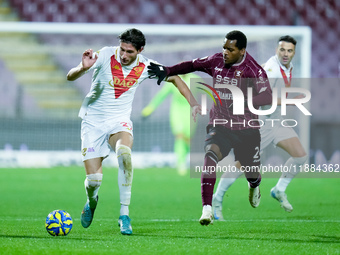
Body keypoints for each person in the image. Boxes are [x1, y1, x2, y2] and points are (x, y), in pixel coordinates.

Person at [66, 28, 200, 235]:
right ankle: (91, 203)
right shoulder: (104, 55)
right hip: (92, 122)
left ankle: (124, 214)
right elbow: (70, 76)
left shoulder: (147, 65)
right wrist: (82, 69)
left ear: (140, 50)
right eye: (122, 50)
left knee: (124, 154)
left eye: (130, 52)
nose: (124, 55)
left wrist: (193, 104)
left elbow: (175, 78)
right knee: (94, 181)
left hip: (119, 122)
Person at [148, 30, 272, 225]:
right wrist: (168, 70)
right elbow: (191, 65)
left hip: (246, 128)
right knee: (210, 155)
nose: (225, 52)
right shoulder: (216, 61)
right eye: (224, 47)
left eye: (230, 49)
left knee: (252, 172)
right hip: (220, 124)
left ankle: (254, 185)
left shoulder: (253, 69)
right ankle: (207, 208)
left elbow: (267, 97)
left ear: (242, 51)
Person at [212, 35, 308, 220]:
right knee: (241, 165)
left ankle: (279, 190)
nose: (285, 54)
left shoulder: (288, 68)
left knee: (301, 156)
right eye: (282, 50)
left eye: (289, 50)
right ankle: (217, 199)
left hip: (276, 121)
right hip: (261, 123)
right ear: (276, 50)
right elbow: (265, 99)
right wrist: (291, 101)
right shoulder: (271, 70)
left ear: (294, 52)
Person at [141, 73, 202, 176]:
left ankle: (183, 158)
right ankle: (180, 164)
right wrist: (149, 109)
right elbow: (161, 95)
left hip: (190, 112)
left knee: (187, 139)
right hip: (177, 111)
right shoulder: (174, 79)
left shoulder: (196, 79)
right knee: (179, 135)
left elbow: (208, 91)